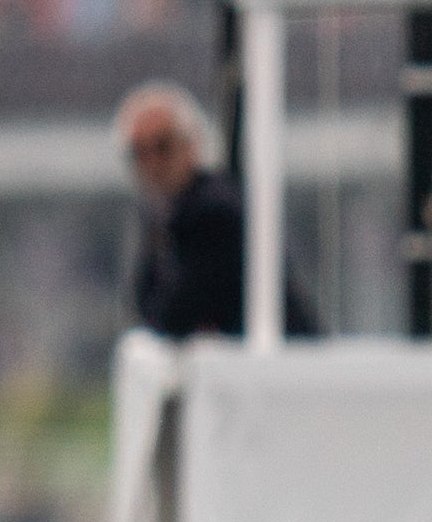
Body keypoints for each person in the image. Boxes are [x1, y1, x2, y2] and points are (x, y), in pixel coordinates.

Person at [118, 84, 305, 341]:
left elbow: (175, 315)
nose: (152, 163)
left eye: (163, 147)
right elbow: (145, 304)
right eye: (139, 152)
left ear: (191, 144)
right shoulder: (165, 215)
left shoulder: (212, 213)